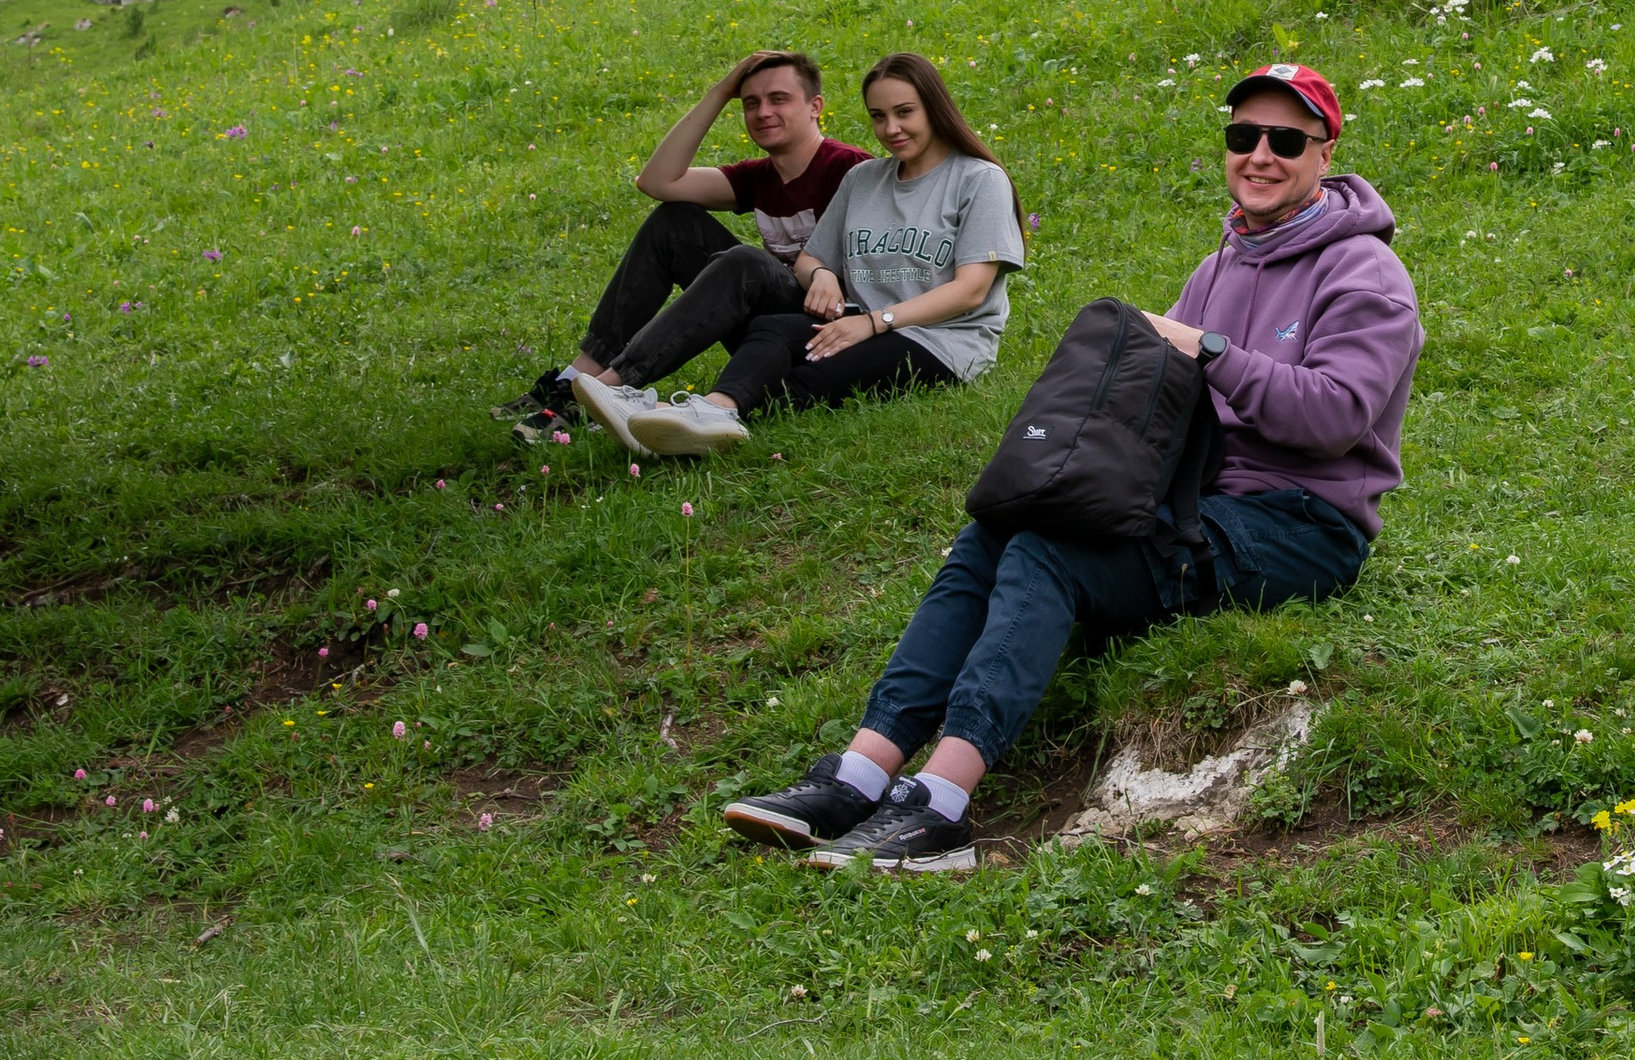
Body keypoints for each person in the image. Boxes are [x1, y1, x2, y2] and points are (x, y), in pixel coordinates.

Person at [721, 62, 1419, 873]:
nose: (1259, 154)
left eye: (1285, 140)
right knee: (998, 526)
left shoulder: (1368, 274)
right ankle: (860, 773)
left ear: (1325, 151)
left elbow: (1334, 418)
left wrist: (1216, 353)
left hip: (1302, 524)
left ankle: (941, 807)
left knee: (1049, 553)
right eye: (1242, 136)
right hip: (1198, 501)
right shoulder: (1219, 263)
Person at [595, 50, 1027, 457]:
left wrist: (874, 323)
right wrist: (821, 275)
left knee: (784, 361)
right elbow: (809, 259)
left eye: (904, 112)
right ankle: (683, 413)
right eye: (878, 116)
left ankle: (710, 410)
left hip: (938, 342)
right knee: (774, 339)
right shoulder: (864, 179)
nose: (891, 128)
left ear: (934, 107)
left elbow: (971, 292)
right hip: (855, 324)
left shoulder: (978, 179)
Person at [496, 49, 862, 450]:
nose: (762, 113)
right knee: (673, 223)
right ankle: (574, 381)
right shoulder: (759, 177)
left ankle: (610, 390)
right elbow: (657, 182)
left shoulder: (851, 169)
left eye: (779, 99)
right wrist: (722, 91)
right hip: (767, 330)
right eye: (750, 103)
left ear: (815, 107)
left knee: (747, 263)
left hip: (829, 336)